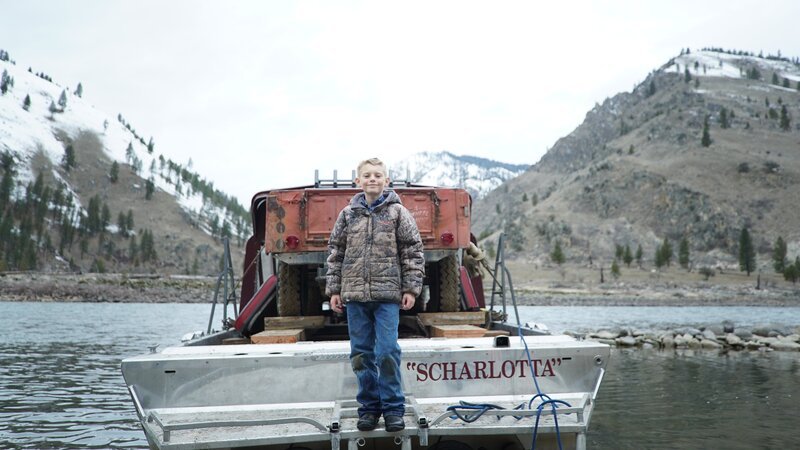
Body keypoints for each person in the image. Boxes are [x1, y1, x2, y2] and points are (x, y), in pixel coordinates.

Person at [326, 157, 424, 432]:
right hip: (355, 297)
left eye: (377, 175)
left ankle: (394, 409)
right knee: (360, 354)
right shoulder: (347, 215)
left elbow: (412, 251)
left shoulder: (398, 214)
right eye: (367, 175)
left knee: (387, 352)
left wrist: (410, 288)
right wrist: (334, 290)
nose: (372, 179)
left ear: (386, 181)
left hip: (387, 297)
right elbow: (336, 253)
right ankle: (368, 409)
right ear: (358, 181)